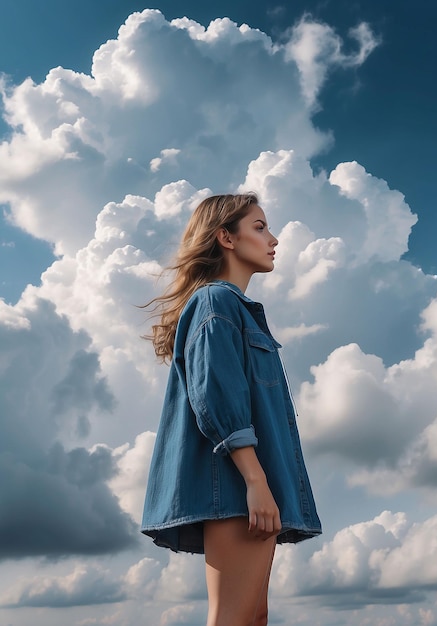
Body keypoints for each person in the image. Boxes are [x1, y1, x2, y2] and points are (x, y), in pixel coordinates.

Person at [141, 193, 321, 626]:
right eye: (259, 227)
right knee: (233, 620)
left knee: (252, 618)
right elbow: (216, 398)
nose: (273, 239)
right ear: (225, 237)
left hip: (249, 489)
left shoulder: (234, 308)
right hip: (238, 488)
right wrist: (256, 481)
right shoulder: (215, 303)